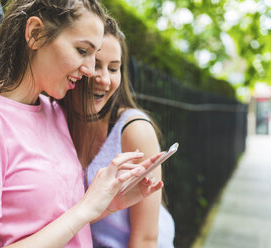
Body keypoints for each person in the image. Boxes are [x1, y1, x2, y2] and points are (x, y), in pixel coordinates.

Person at [0, 1, 164, 247]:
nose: (89, 70)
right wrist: (85, 209)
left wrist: (107, 204)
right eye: (82, 51)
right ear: (35, 34)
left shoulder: (54, 112)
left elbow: (56, 222)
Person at [61, 17, 175, 248]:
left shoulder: (134, 130)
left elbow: (145, 239)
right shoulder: (54, 118)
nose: (104, 79)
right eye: (95, 64)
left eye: (114, 68)